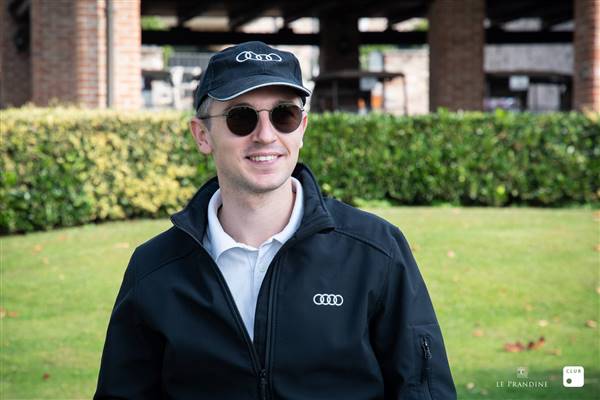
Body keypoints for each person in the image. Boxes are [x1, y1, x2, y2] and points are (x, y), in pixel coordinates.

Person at [94, 41, 456, 399]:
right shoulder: (155, 269)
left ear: (302, 128)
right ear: (202, 135)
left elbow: (423, 391)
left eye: (284, 115)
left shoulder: (375, 250)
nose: (266, 135)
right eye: (241, 117)